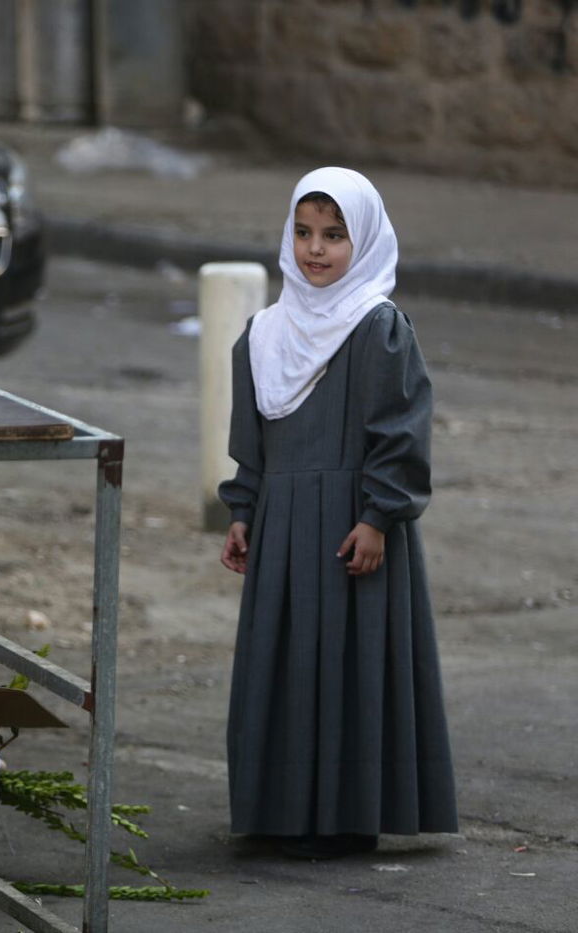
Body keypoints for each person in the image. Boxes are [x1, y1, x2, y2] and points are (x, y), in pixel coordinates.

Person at [217, 167, 458, 859]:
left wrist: (381, 516)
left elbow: (401, 432)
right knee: (284, 659)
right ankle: (278, 810)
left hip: (354, 529)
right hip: (285, 530)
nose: (314, 249)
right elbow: (251, 441)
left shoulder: (378, 328)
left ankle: (348, 813)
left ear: (367, 240)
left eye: (333, 235)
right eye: (302, 232)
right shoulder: (263, 335)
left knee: (356, 663)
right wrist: (245, 511)